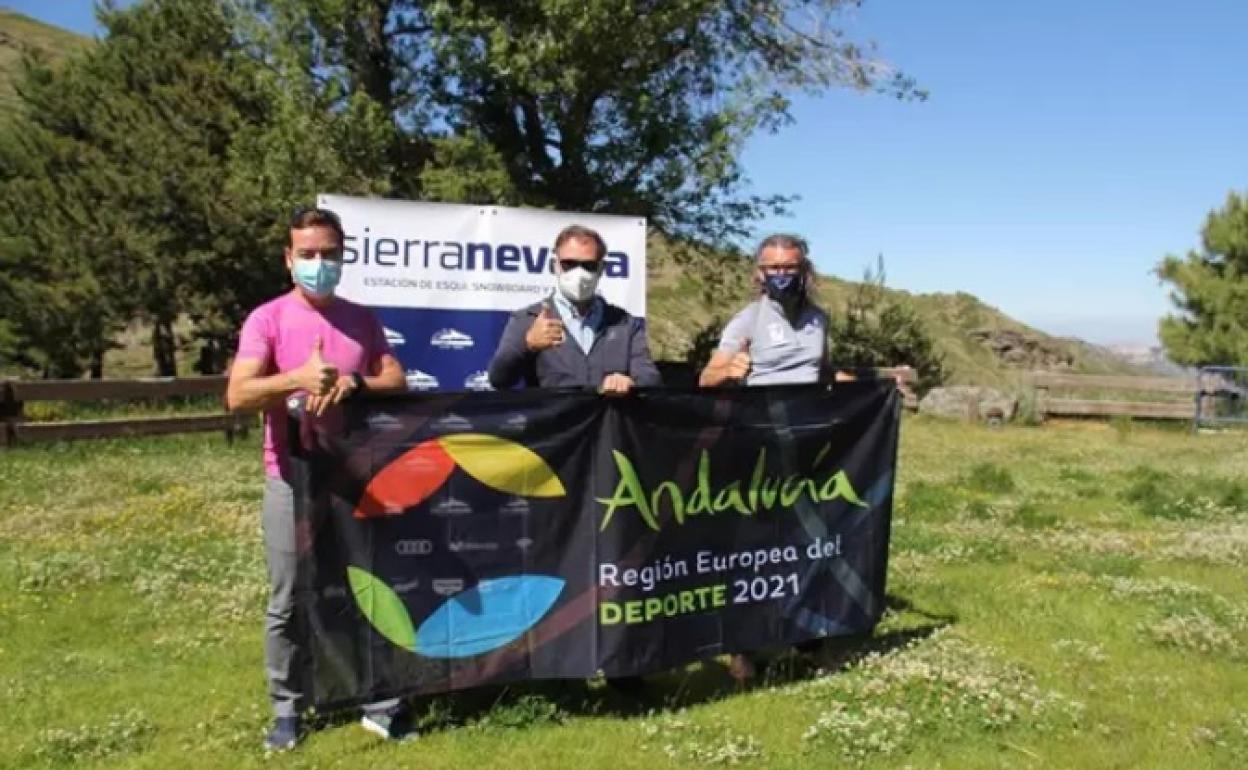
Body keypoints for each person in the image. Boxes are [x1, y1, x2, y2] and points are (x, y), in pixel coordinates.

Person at [226, 206, 410, 751]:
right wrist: (296, 379)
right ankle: (288, 709)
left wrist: (355, 382)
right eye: (307, 254)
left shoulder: (362, 318)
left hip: (354, 477)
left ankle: (377, 700)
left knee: (366, 590)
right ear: (289, 259)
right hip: (290, 478)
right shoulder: (266, 319)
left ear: (343, 256)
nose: (319, 263)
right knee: (289, 596)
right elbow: (238, 394)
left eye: (329, 253)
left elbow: (396, 377)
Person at [698, 233, 832, 682]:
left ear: (803, 270)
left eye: (789, 267)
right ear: (759, 272)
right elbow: (705, 377)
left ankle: (809, 640)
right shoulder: (747, 320)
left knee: (807, 542)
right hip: (758, 448)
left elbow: (823, 371)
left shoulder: (819, 319)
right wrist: (729, 370)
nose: (781, 275)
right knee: (754, 548)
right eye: (772, 268)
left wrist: (872, 389)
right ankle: (743, 648)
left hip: (807, 448)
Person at [488, 224, 661, 394]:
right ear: (554, 266)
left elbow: (650, 378)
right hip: (553, 414)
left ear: (601, 269)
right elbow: (499, 380)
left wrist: (630, 383)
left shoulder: (624, 324)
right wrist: (528, 345)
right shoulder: (528, 319)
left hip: (608, 414)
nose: (579, 273)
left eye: (589, 266)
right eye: (569, 264)